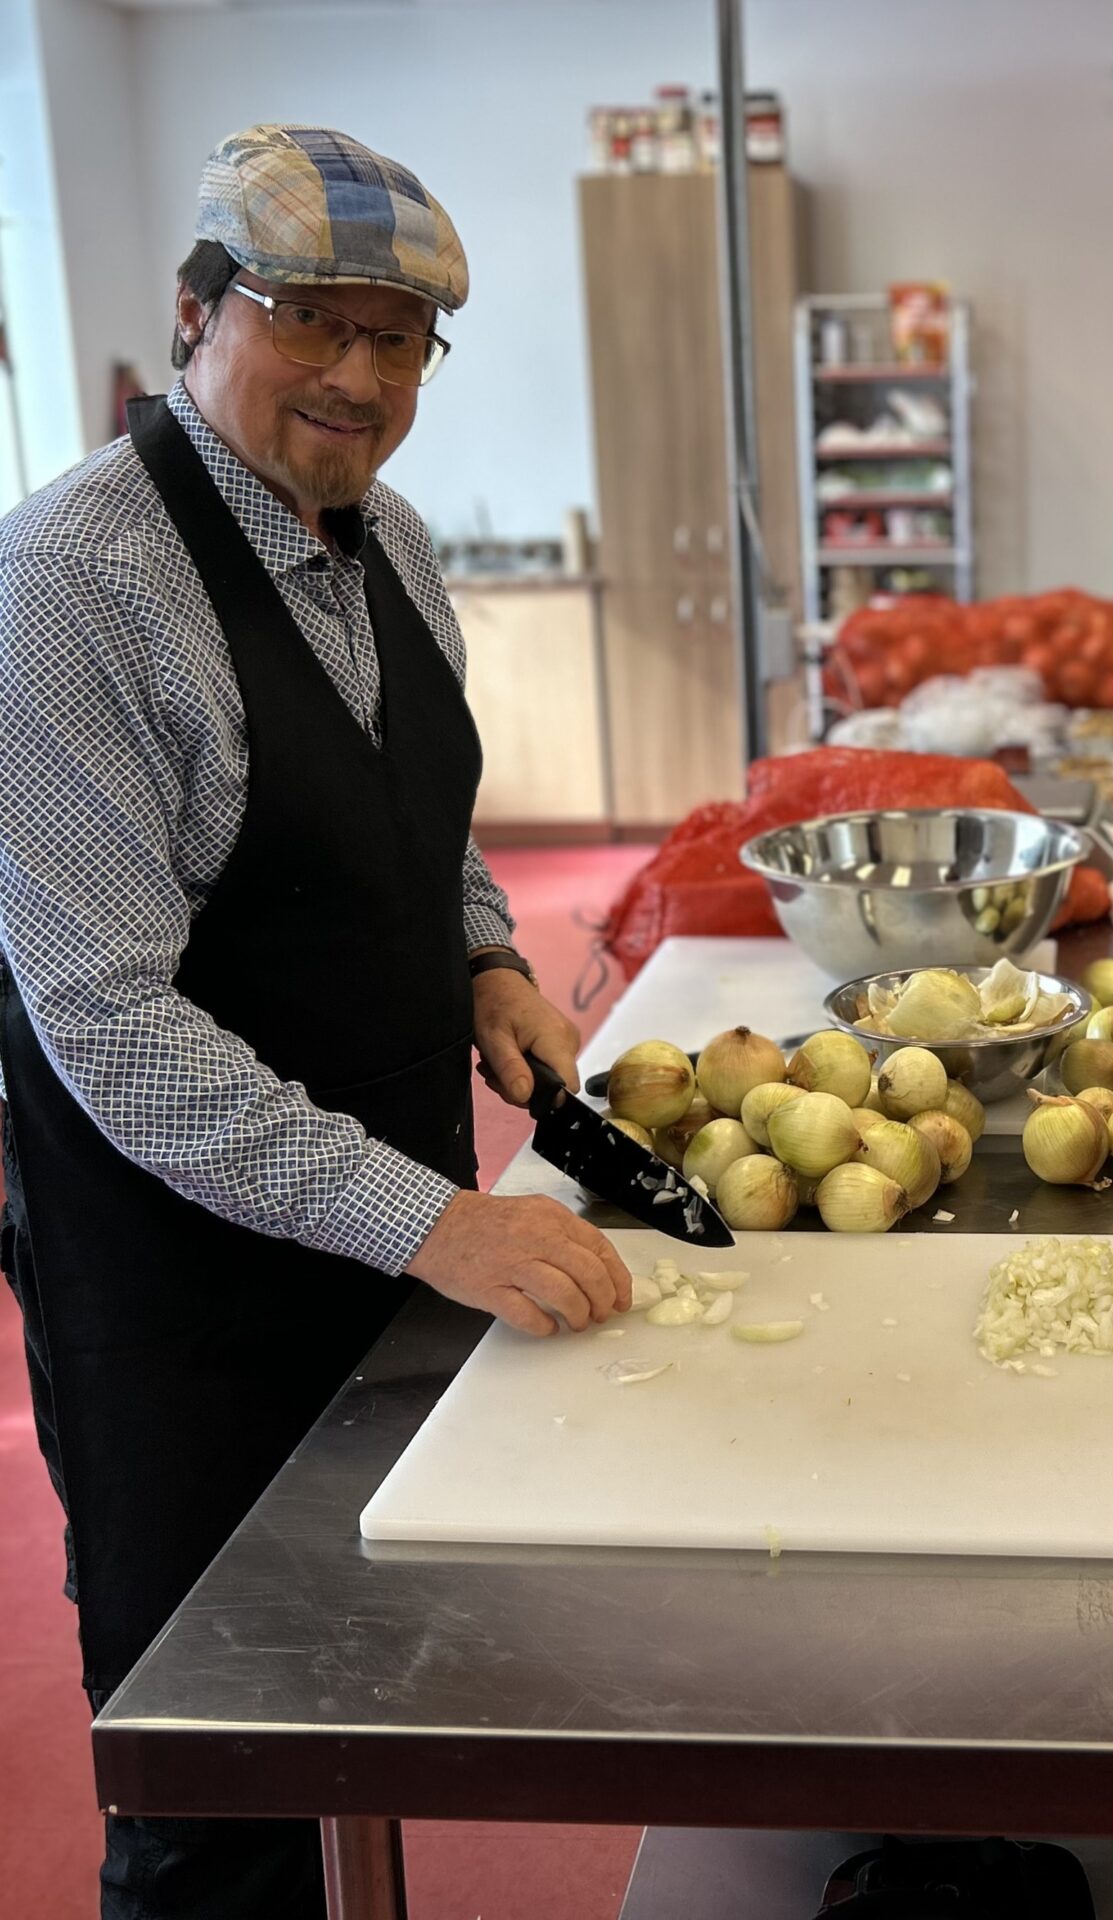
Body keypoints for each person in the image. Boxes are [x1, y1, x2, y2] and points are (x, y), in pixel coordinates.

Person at [0, 125, 631, 1918]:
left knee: (360, 1714)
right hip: (184, 1303)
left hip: (385, 1249)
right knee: (222, 1779)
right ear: (200, 315)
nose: (362, 377)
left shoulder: (385, 539)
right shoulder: (70, 589)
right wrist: (432, 1218)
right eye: (312, 321)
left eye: (404, 341)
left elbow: (415, 825)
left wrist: (492, 957)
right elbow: (109, 1029)